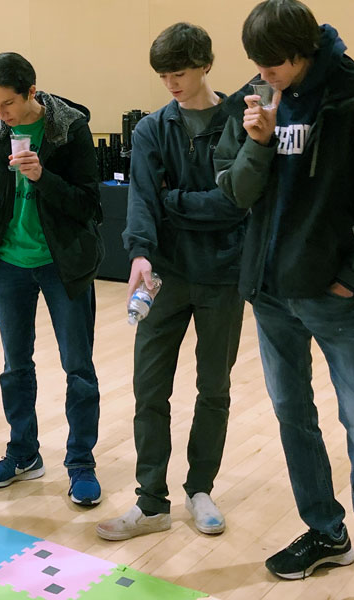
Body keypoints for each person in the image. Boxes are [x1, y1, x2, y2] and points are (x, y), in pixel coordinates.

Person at [213, 1, 354, 597]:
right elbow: (237, 191)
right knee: (293, 417)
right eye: (257, 64)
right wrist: (259, 143)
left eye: (274, 64)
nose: (264, 73)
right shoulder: (253, 101)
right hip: (269, 294)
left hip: (335, 295)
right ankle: (326, 532)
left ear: (305, 51)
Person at [96, 23, 248, 541]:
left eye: (179, 73)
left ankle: (200, 487)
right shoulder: (151, 129)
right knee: (149, 387)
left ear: (206, 63)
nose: (171, 84)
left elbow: (235, 201)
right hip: (161, 273)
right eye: (163, 75)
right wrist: (139, 252)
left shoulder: (239, 121)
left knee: (215, 386)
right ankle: (150, 500)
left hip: (223, 275)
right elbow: (142, 198)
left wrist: (175, 201)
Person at [0, 52, 104, 505]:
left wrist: (43, 177)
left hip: (62, 264)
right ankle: (23, 453)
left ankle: (81, 463)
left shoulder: (70, 130)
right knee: (15, 367)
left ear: (31, 92)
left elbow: (88, 204)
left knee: (78, 368)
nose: (0, 116)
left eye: (7, 105)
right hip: (9, 264)